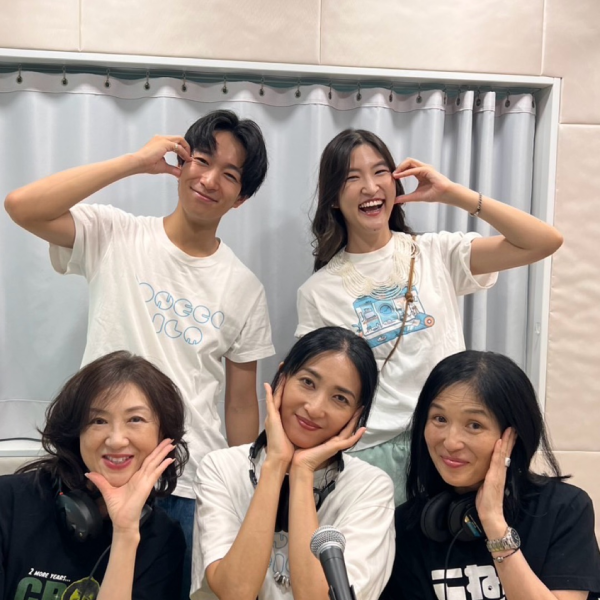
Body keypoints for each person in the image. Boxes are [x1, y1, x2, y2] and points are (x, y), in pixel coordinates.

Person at [4, 110, 276, 595]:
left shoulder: (244, 287)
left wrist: (242, 489)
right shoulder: (115, 233)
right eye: (202, 160)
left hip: (188, 484)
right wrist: (134, 162)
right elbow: (22, 207)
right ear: (181, 162)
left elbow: (239, 404)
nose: (209, 180)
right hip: (100, 471)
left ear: (241, 197)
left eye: (229, 174)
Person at [296, 129, 563, 504]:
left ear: (396, 181)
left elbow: (543, 241)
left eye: (380, 172)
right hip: (370, 454)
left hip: (448, 443)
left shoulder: (435, 252)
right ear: (334, 198)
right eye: (352, 177)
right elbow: (320, 390)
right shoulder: (318, 291)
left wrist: (453, 193)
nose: (370, 187)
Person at [191, 327, 395, 600]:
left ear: (357, 415)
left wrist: (302, 471)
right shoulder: (220, 467)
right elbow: (236, 592)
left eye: (340, 398)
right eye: (308, 382)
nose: (315, 408)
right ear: (283, 379)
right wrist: (276, 464)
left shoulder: (370, 488)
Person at [381, 350, 600, 600]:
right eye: (439, 419)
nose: (451, 442)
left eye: (474, 425)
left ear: (513, 435)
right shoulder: (409, 525)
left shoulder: (563, 509)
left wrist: (494, 524)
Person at [0, 350, 190, 600]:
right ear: (76, 431)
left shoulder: (163, 539)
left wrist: (125, 533)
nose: (116, 440)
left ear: (163, 435)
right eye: (98, 421)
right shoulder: (9, 501)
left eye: (135, 419)